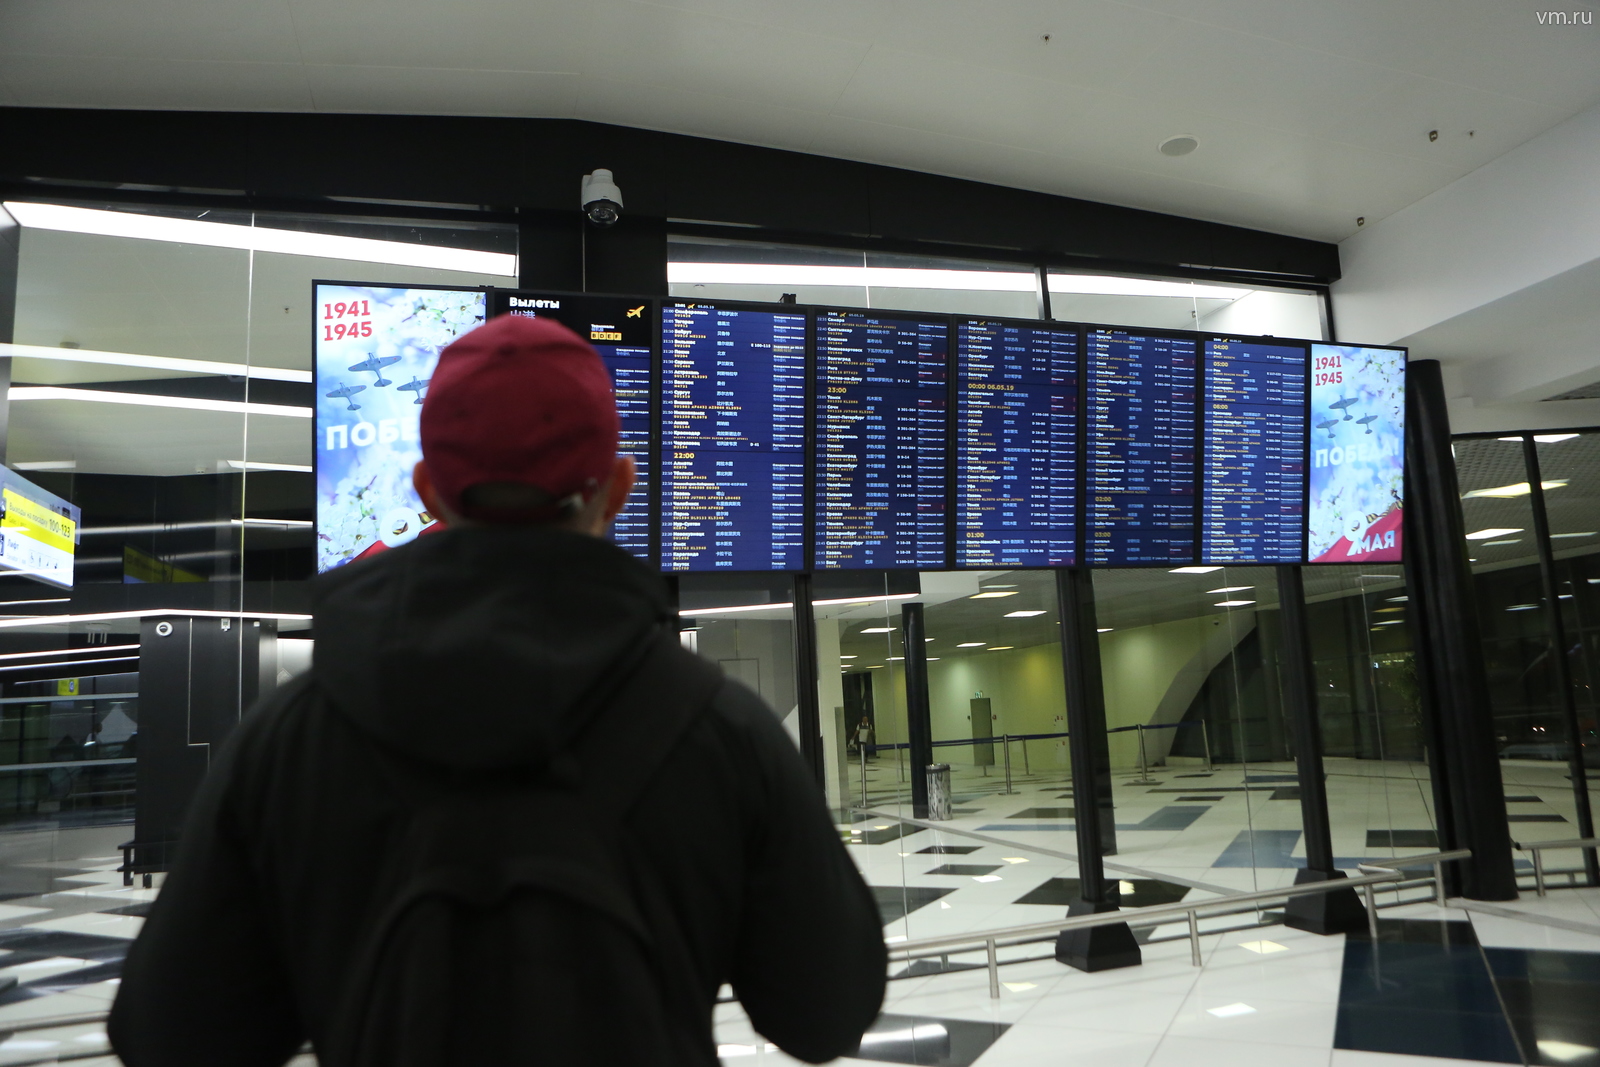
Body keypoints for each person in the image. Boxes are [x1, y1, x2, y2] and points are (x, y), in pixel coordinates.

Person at [109, 314, 887, 1066]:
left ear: (427, 490)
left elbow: (169, 1034)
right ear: (618, 486)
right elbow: (828, 1012)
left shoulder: (288, 737)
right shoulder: (725, 729)